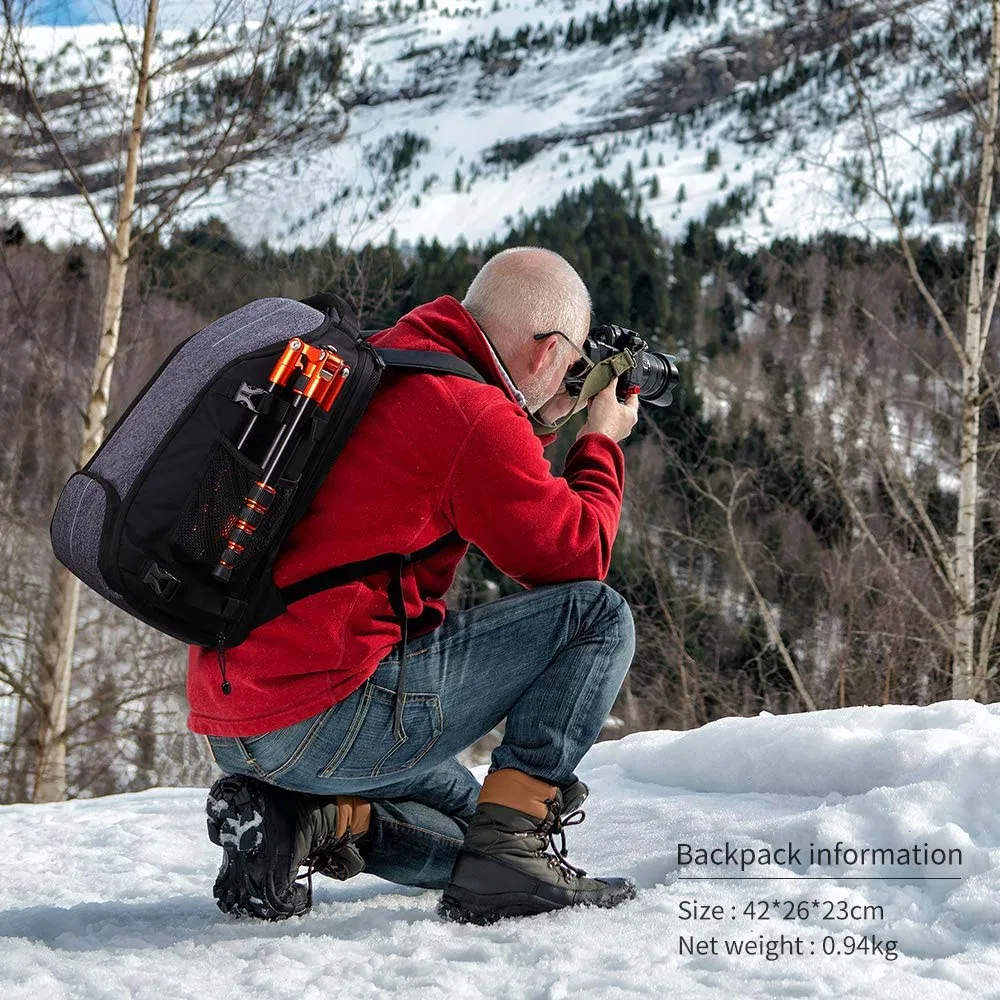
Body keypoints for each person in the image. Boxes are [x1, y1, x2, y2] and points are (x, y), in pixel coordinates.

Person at [194, 246, 640, 925]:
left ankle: (302, 824)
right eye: (573, 360)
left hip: (240, 717)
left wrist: (544, 417)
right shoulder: (468, 412)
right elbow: (578, 558)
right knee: (598, 617)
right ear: (550, 351)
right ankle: (511, 858)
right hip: (327, 710)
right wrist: (600, 440)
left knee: (470, 825)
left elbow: (470, 460)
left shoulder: (385, 359)